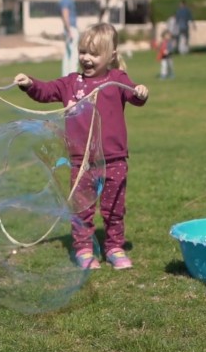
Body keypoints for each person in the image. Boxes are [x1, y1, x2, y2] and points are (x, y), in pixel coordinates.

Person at [13, 23, 149, 270]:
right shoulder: (70, 83)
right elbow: (45, 91)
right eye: (83, 52)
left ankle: (114, 247)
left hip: (114, 159)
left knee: (114, 208)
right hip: (82, 161)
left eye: (94, 53)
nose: (86, 58)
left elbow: (134, 96)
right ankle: (84, 250)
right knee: (82, 209)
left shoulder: (117, 79)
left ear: (112, 56)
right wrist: (29, 83)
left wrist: (140, 92)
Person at [59, 0, 79, 76]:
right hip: (71, 28)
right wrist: (69, 30)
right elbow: (65, 13)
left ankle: (66, 76)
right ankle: (72, 76)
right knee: (74, 54)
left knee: (68, 54)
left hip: (69, 28)